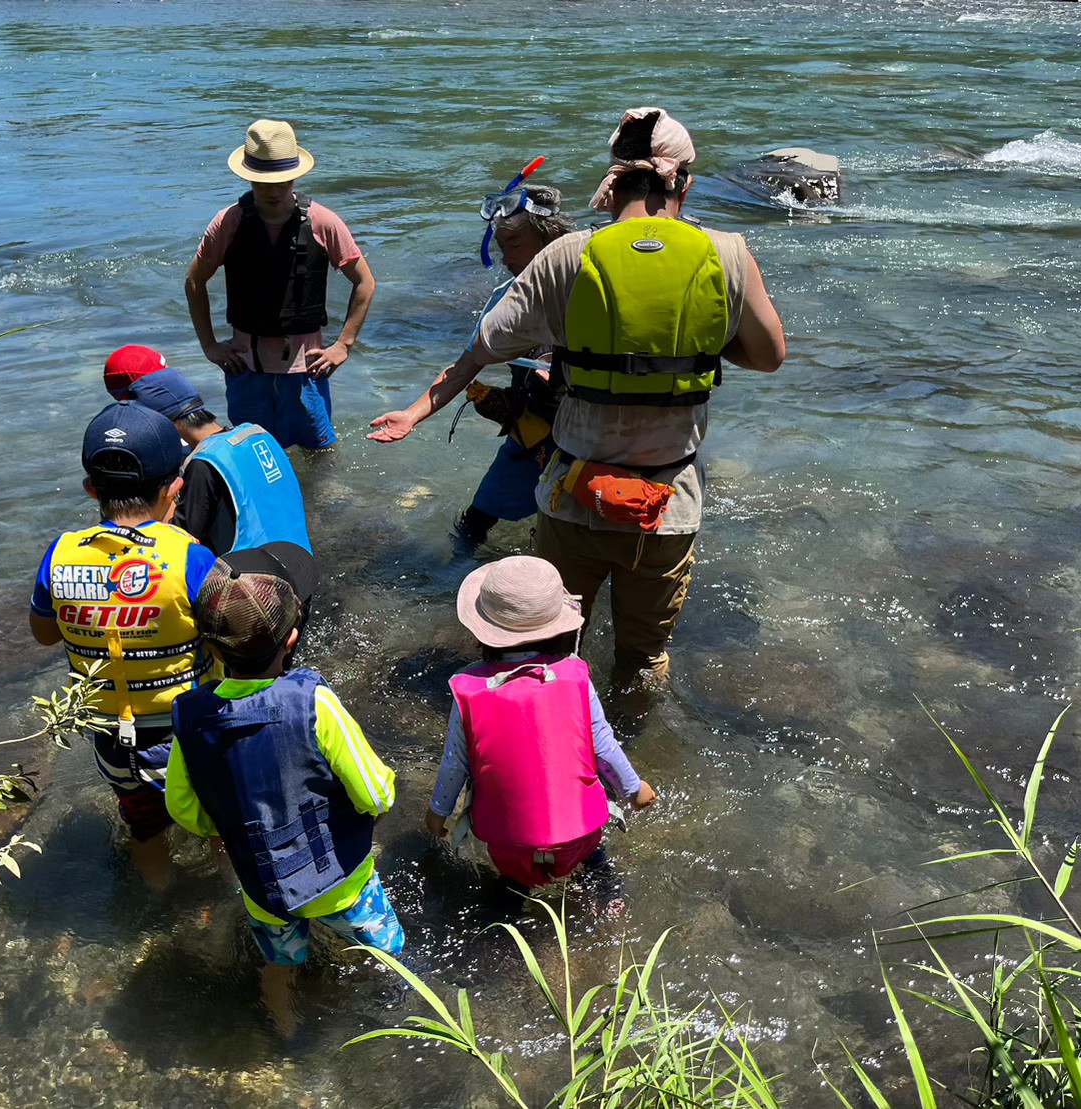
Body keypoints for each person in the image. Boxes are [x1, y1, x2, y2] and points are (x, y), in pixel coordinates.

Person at [367, 108, 786, 686]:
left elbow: (477, 352)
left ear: (612, 179)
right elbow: (769, 356)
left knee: (551, 651)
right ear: (683, 181)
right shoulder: (729, 253)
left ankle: (557, 754)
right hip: (667, 504)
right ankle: (631, 760)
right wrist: (696, 352)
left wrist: (414, 412)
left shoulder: (566, 257)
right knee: (643, 661)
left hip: (574, 498)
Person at [166, 561, 403, 989]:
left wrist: (224, 829)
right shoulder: (313, 703)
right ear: (291, 638)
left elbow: (183, 808)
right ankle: (397, 1008)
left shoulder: (189, 715)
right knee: (385, 960)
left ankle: (283, 1027)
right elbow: (375, 792)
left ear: (214, 651)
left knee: (281, 965)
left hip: (263, 892)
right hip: (342, 883)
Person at [28, 401, 221, 889]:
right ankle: (215, 902)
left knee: (144, 829)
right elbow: (226, 644)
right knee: (219, 819)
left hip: (113, 740)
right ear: (175, 488)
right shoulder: (190, 559)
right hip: (185, 735)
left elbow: (44, 633)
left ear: (92, 489)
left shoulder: (60, 553)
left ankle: (161, 895)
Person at [426, 556, 656, 891]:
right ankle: (609, 895)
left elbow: (454, 764)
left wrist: (438, 812)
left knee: (513, 881)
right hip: (580, 833)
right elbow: (603, 744)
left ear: (483, 631)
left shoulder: (467, 690)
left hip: (510, 843)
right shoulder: (575, 676)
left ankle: (513, 918)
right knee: (594, 857)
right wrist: (633, 789)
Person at [383, 181, 574, 549]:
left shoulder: (592, 284)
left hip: (585, 436)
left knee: (574, 527)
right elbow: (465, 365)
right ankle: (456, 578)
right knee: (477, 519)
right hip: (531, 432)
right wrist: (411, 415)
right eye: (501, 247)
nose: (506, 258)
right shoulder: (509, 300)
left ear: (551, 236)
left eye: (514, 245)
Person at [184, 119, 376, 452]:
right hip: (246, 368)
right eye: (263, 183)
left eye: (282, 182)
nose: (273, 191)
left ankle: (320, 505)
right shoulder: (228, 222)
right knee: (251, 451)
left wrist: (343, 344)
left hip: (305, 371)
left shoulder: (322, 222)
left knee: (319, 454)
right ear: (248, 177)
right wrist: (210, 345)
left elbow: (365, 282)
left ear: (296, 176)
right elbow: (194, 281)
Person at [102, 344, 313, 558]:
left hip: (256, 583)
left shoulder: (203, 466)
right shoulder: (256, 433)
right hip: (302, 563)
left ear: (168, 426)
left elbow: (181, 538)